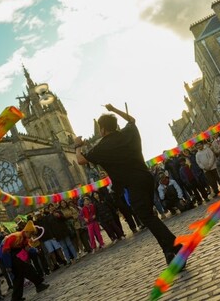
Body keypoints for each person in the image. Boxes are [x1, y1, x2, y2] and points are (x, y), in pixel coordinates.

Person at [74, 103, 182, 264]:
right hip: (146, 178)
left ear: (102, 130)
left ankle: (174, 245)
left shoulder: (102, 146)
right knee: (148, 215)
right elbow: (131, 119)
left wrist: (77, 146)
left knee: (145, 215)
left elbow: (81, 160)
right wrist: (114, 110)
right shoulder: (128, 132)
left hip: (133, 183)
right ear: (116, 125)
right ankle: (169, 250)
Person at [0, 221, 50, 301]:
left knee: (19, 277)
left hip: (17, 255)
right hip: (11, 256)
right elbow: (5, 251)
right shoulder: (14, 236)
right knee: (28, 269)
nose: (31, 236)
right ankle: (39, 285)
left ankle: (16, 298)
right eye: (30, 234)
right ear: (26, 232)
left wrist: (36, 251)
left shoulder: (25, 238)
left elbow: (28, 248)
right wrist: (8, 265)